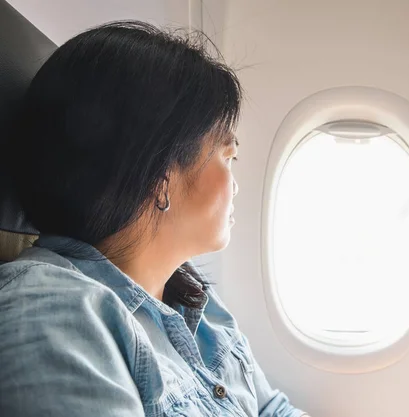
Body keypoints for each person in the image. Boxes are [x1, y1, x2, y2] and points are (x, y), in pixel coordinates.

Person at [0, 21, 308, 417]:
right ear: (161, 174)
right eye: (226, 157)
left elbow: (272, 409)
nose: (235, 186)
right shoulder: (54, 316)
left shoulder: (194, 298)